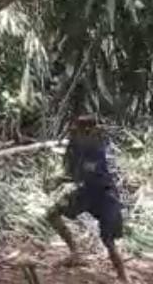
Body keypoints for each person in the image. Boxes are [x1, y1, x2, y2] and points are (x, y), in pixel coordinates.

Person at [46, 115, 129, 283]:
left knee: (108, 241)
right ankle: (75, 253)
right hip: (86, 192)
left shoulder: (97, 148)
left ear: (88, 131)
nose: (74, 133)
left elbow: (86, 175)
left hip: (105, 196)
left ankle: (123, 277)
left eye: (78, 131)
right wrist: (58, 179)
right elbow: (73, 171)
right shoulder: (75, 145)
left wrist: (60, 180)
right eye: (74, 130)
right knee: (52, 213)